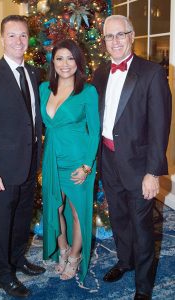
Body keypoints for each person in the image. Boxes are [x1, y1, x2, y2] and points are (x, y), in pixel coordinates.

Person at [93, 15, 171, 300]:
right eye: (109, 37)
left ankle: (144, 286)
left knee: (141, 226)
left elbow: (159, 128)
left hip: (139, 165)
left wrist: (153, 172)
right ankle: (124, 261)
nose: (115, 41)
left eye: (120, 35)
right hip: (108, 159)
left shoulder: (151, 73)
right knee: (120, 217)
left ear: (132, 35)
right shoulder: (101, 72)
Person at [0, 15, 46, 298]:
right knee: (2, 223)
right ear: (2, 39)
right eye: (12, 35)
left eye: (23, 35)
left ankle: (18, 259)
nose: (18, 41)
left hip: (28, 164)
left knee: (21, 218)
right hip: (2, 170)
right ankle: (4, 273)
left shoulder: (32, 74)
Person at [39, 39, 100, 282]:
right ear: (53, 62)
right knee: (56, 208)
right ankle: (62, 248)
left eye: (71, 58)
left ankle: (75, 255)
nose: (66, 64)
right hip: (52, 157)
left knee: (77, 212)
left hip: (78, 161)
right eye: (60, 58)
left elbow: (94, 131)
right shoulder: (44, 88)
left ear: (78, 62)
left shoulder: (88, 91)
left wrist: (87, 166)